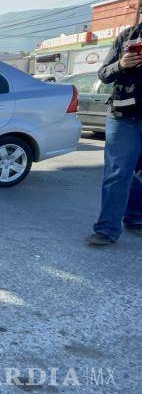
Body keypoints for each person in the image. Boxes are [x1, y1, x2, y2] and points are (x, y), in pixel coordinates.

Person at [85, 23, 142, 246]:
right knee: (118, 173)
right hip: (124, 116)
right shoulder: (128, 36)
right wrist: (120, 64)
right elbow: (104, 74)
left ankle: (136, 218)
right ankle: (107, 229)